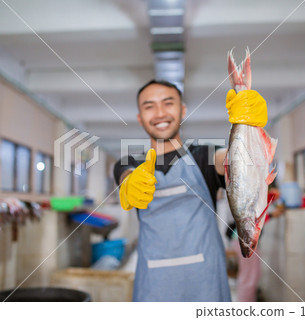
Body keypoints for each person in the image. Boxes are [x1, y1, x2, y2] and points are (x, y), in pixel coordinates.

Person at [113, 79, 267, 302]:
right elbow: (124, 174)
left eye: (168, 103)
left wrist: (249, 128)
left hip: (206, 285)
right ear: (139, 117)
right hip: (154, 286)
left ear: (182, 109)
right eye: (149, 106)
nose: (160, 113)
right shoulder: (130, 163)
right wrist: (128, 182)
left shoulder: (205, 156)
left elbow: (233, 161)